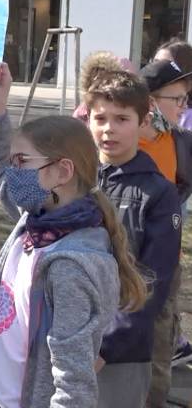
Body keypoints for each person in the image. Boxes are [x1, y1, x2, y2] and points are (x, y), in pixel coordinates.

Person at [0, 62, 147, 408]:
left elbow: (74, 379)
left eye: (21, 161)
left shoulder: (72, 264)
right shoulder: (34, 218)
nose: (13, 172)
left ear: (61, 171)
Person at [84, 70, 182, 408]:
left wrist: (106, 346)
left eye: (122, 118)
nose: (109, 128)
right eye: (101, 118)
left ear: (144, 121)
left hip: (121, 351)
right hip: (67, 335)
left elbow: (152, 280)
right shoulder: (74, 178)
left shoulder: (158, 193)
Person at [136, 59, 192, 405]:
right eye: (179, 99)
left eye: (187, 100)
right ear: (152, 101)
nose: (184, 107)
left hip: (165, 267)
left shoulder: (181, 142)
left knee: (157, 356)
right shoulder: (119, 141)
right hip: (121, 264)